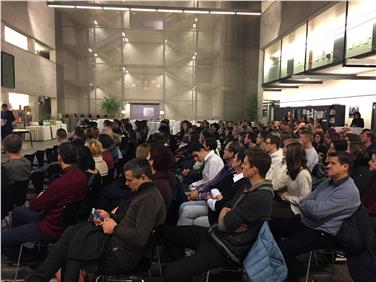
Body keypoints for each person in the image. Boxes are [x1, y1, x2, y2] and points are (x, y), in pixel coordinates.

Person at [25, 158, 166, 282]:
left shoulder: (149, 200)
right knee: (72, 234)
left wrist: (114, 228)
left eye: (130, 180)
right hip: (116, 245)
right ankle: (38, 278)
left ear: (142, 178)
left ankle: (38, 278)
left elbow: (140, 238)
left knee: (74, 244)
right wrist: (110, 217)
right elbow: (131, 220)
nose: (127, 184)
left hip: (119, 256)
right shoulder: (145, 194)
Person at [163, 149, 273, 282]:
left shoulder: (259, 196)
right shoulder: (248, 186)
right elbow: (227, 205)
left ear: (254, 169)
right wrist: (226, 211)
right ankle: (187, 269)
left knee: (171, 273)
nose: (242, 166)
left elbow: (225, 224)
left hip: (225, 248)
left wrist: (225, 213)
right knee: (166, 232)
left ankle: (185, 269)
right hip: (216, 235)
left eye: (245, 163)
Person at [279, 151, 360, 281]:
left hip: (323, 232)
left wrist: (309, 205)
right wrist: (309, 205)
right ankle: (290, 266)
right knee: (271, 224)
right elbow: (305, 200)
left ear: (345, 167)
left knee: (284, 250)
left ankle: (295, 275)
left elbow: (316, 211)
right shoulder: (327, 183)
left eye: (333, 163)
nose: (327, 166)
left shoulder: (348, 191)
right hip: (308, 222)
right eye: (328, 163)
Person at [2, 142, 88, 261]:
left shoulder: (62, 182)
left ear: (60, 157)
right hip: (61, 220)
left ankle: (32, 258)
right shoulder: (81, 175)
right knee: (17, 212)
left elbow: (34, 206)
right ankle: (19, 244)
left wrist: (41, 195)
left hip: (49, 226)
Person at [270, 142, 312, 240]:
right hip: (290, 204)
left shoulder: (303, 174)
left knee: (268, 214)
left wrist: (286, 197)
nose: (283, 156)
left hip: (298, 212)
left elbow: (303, 200)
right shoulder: (292, 170)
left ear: (292, 156)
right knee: (266, 205)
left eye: (285, 154)